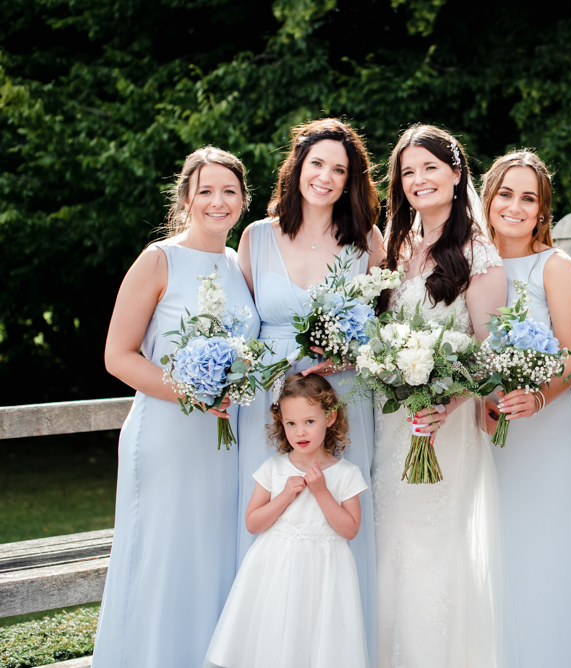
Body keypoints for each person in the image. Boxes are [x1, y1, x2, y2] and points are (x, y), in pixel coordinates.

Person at [94, 147, 259, 667]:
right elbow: (117, 356)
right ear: (186, 198)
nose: (218, 201)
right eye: (206, 190)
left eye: (229, 191)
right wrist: (191, 392)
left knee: (209, 560)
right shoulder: (158, 259)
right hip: (167, 435)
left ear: (243, 200)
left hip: (223, 445)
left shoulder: (239, 265)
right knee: (160, 559)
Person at [235, 118, 383, 661]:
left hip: (341, 396)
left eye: (339, 170)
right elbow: (241, 322)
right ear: (297, 168)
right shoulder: (255, 236)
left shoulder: (366, 240)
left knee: (335, 517)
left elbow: (378, 330)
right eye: (316, 163)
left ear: (350, 181)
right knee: (271, 515)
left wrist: (350, 353)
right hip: (269, 400)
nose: (325, 176)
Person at [371, 124, 514, 667]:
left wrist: (447, 400)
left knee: (435, 550)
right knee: (391, 548)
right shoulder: (394, 249)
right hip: (394, 426)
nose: (418, 180)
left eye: (430, 168)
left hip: (445, 426)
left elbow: (489, 351)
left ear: (456, 175)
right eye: (408, 172)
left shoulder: (478, 254)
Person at [481, 151, 571, 668]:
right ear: (487, 199)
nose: (515, 206)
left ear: (542, 210)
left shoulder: (555, 266)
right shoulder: (468, 265)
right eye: (506, 194)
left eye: (528, 197)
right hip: (490, 434)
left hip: (552, 435)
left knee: (552, 558)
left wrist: (537, 395)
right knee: (503, 558)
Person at [204, 373, 369, 668]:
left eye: (309, 421)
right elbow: (253, 523)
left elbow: (350, 529)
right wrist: (282, 497)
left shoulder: (346, 473)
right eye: (291, 423)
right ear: (282, 423)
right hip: (276, 569)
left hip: (324, 571)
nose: (300, 432)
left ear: (329, 418)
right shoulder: (273, 468)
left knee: (314, 638)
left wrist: (321, 491)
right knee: (275, 633)